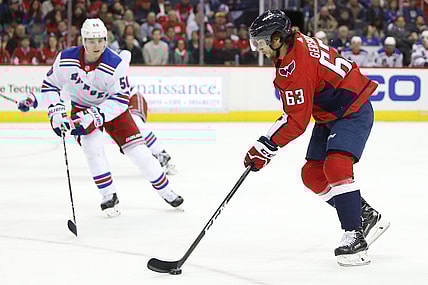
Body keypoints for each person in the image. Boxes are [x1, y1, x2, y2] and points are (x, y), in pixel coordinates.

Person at [245, 9, 389, 267]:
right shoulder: (295, 42)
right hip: (330, 112)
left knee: (336, 165)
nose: (260, 48)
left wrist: (265, 146)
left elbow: (296, 121)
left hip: (352, 109)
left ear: (278, 38)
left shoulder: (295, 68)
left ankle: (355, 234)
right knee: (312, 174)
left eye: (263, 42)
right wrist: (266, 143)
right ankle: (364, 214)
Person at [28, 18, 184, 217]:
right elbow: (51, 86)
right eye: (92, 41)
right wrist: (56, 112)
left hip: (112, 110)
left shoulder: (115, 64)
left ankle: (167, 192)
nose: (97, 45)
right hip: (81, 107)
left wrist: (95, 115)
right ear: (83, 40)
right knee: (92, 149)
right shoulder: (65, 59)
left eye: (101, 40)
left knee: (139, 153)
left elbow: (120, 100)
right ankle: (108, 195)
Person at [17, 51, 178, 177]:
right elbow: (58, 92)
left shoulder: (111, 66)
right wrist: (31, 100)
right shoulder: (81, 79)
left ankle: (161, 154)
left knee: (136, 121)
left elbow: (125, 55)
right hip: (109, 108)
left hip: (130, 98)